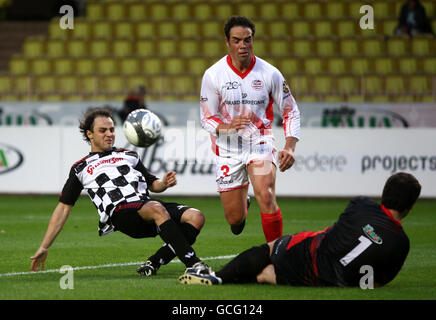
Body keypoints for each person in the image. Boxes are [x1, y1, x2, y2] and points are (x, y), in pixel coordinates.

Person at [30, 107, 213, 277]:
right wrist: (45, 246)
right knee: (156, 207)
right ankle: (194, 265)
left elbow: (152, 184)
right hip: (121, 213)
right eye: (103, 130)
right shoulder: (80, 168)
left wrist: (164, 183)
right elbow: (63, 208)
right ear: (89, 134)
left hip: (147, 206)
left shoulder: (129, 155)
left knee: (196, 217)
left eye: (112, 129)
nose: (109, 134)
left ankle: (154, 262)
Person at [179, 172, 421, 288]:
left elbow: (339, 229)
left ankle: (218, 277)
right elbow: (380, 280)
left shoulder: (361, 204)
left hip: (309, 256)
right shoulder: (402, 243)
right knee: (266, 274)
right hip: (334, 281)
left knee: (273, 248)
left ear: (384, 193)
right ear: (411, 206)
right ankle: (257, 276)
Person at [199, 16, 300, 242]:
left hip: (259, 142)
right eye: (237, 41)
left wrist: (290, 146)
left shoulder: (270, 74)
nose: (243, 46)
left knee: (266, 195)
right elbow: (206, 118)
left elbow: (290, 111)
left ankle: (276, 256)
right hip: (227, 149)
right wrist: (227, 126)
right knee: (234, 219)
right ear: (227, 42)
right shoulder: (213, 75)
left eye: (248, 40)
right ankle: (243, 203)